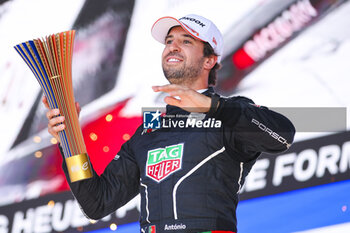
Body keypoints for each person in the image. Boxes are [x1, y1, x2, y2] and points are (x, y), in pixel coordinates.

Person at [43, 14, 295, 233]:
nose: (173, 47)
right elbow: (97, 203)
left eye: (186, 41)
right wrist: (70, 141)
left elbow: (282, 134)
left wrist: (214, 107)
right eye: (169, 42)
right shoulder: (148, 130)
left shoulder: (228, 113)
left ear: (209, 60)